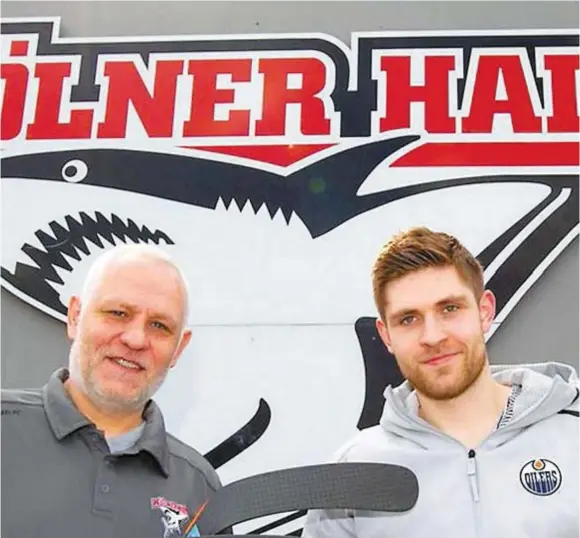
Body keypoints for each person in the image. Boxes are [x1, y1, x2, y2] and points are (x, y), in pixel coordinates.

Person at [302, 226, 579, 538]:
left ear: (484, 312)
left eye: (450, 308)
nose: (432, 336)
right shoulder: (353, 471)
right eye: (408, 319)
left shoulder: (572, 437)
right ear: (386, 336)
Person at [1, 244, 225, 538]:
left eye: (159, 325)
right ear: (75, 317)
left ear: (178, 349)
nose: (135, 339)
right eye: (118, 313)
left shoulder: (198, 487)